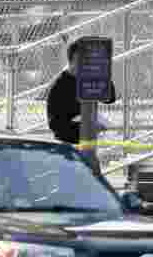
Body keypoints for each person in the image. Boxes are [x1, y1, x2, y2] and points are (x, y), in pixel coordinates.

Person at [46, 39, 117, 169]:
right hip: (69, 150)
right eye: (83, 60)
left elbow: (110, 98)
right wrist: (85, 128)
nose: (86, 64)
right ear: (73, 60)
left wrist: (102, 73)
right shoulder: (59, 86)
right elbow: (55, 125)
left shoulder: (88, 78)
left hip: (88, 145)